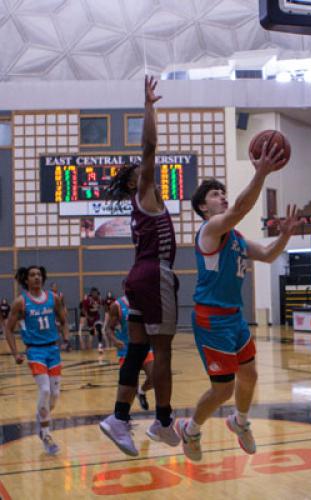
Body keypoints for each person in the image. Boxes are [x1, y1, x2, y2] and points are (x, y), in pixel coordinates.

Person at [174, 144, 299, 463]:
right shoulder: (210, 230)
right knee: (223, 390)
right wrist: (261, 172)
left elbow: (270, 255)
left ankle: (239, 422)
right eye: (215, 194)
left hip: (235, 317)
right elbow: (240, 210)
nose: (223, 196)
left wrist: (284, 235)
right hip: (211, 320)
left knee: (251, 376)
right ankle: (190, 429)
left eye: (223, 191)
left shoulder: (238, 239)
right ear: (203, 207)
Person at [100, 76, 179, 456]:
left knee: (136, 351)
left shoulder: (140, 206)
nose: (150, 170)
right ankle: (163, 422)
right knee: (162, 352)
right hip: (155, 273)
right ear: (137, 181)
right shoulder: (145, 193)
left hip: (137, 276)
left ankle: (118, 417)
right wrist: (149, 106)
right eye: (143, 171)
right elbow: (149, 146)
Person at [4, 266, 70, 455]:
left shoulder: (53, 298)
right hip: (35, 351)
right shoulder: (21, 302)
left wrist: (66, 338)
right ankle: (46, 433)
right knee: (45, 389)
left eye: (39, 275)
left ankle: (42, 418)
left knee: (55, 395)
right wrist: (15, 353)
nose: (36, 278)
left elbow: (64, 320)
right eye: (32, 275)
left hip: (53, 350)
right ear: (26, 280)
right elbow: (8, 329)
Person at [106, 290, 153, 411]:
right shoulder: (117, 306)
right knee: (129, 388)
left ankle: (141, 392)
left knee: (154, 377)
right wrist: (115, 341)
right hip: (127, 350)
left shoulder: (146, 301)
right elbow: (108, 329)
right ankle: (123, 417)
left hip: (145, 347)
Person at [82, 287, 104, 353]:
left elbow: (101, 305)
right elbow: (83, 310)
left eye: (96, 293)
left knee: (99, 328)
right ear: (91, 294)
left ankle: (100, 345)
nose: (96, 295)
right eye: (94, 293)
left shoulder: (99, 299)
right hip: (90, 318)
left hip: (96, 317)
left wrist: (99, 306)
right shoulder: (87, 300)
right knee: (92, 333)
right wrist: (88, 317)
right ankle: (88, 348)